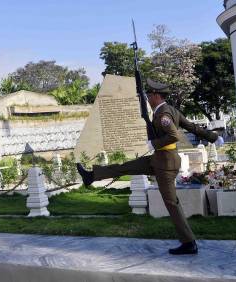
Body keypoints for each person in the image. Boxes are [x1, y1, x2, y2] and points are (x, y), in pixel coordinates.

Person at [76, 78, 224, 255]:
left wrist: (154, 143)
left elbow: (174, 136)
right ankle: (91, 176)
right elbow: (192, 127)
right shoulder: (171, 110)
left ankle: (189, 242)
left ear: (156, 95)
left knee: (171, 203)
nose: (148, 98)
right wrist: (213, 137)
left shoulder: (163, 115)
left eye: (149, 95)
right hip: (161, 160)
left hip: (165, 164)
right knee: (127, 166)